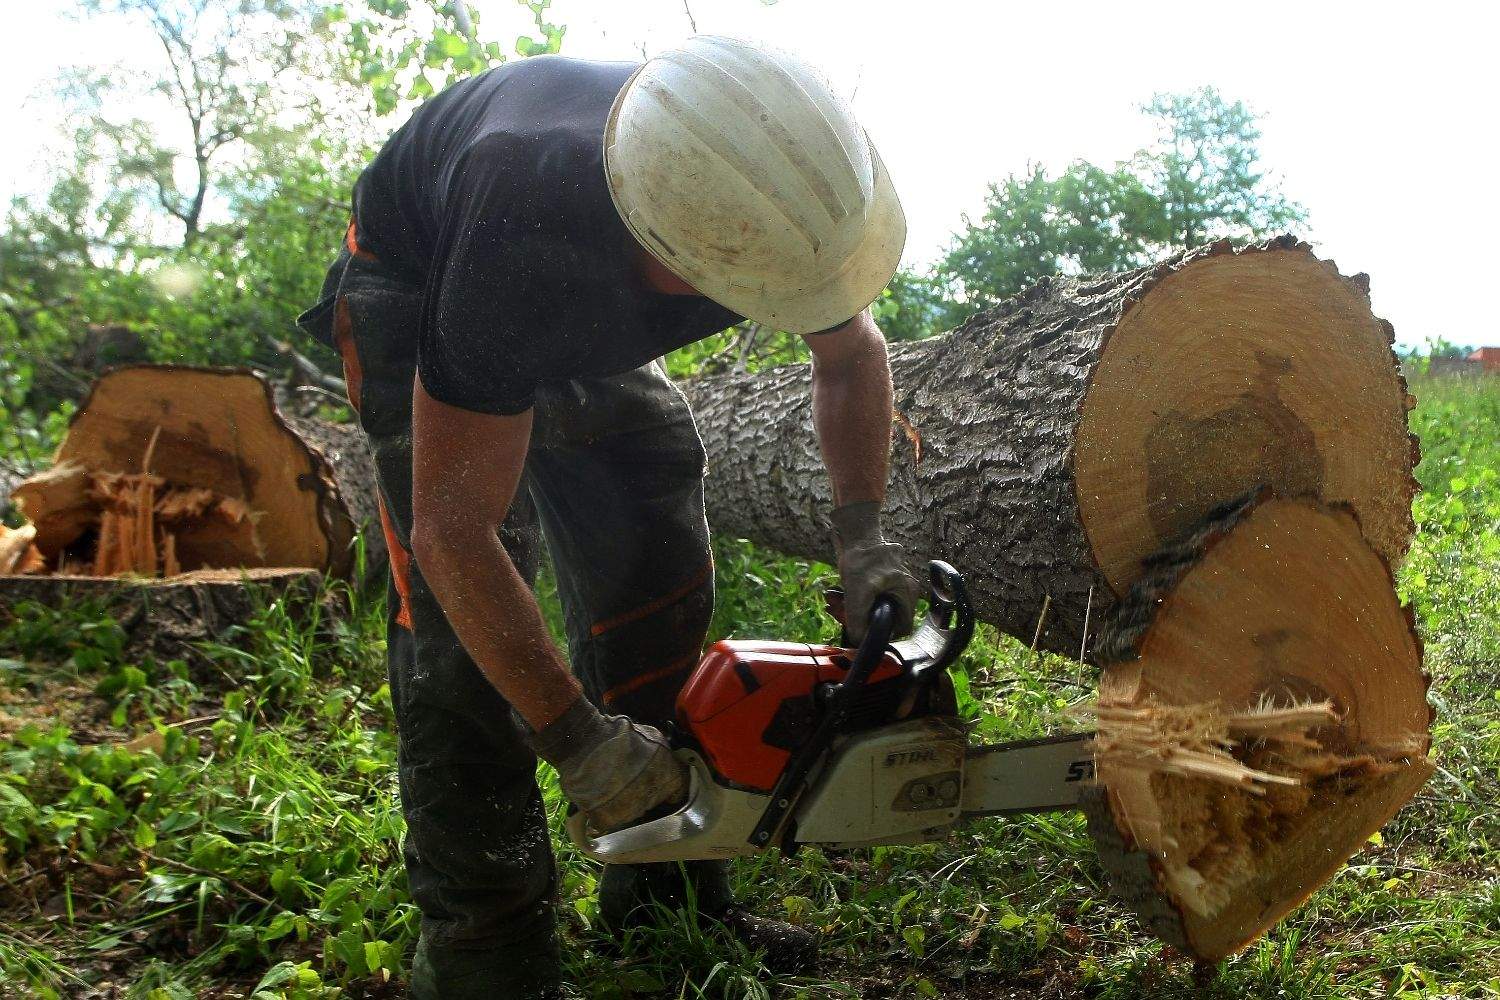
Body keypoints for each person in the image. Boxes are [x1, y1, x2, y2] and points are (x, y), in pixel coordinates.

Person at [298, 35, 919, 998]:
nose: (757, 307)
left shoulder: (781, 192)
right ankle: (484, 959)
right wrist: (575, 740)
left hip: (578, 281)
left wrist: (863, 534)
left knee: (657, 544)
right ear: (656, 237)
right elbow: (452, 536)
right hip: (423, 277)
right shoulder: (521, 230)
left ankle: (664, 886)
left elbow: (850, 356)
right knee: (461, 639)